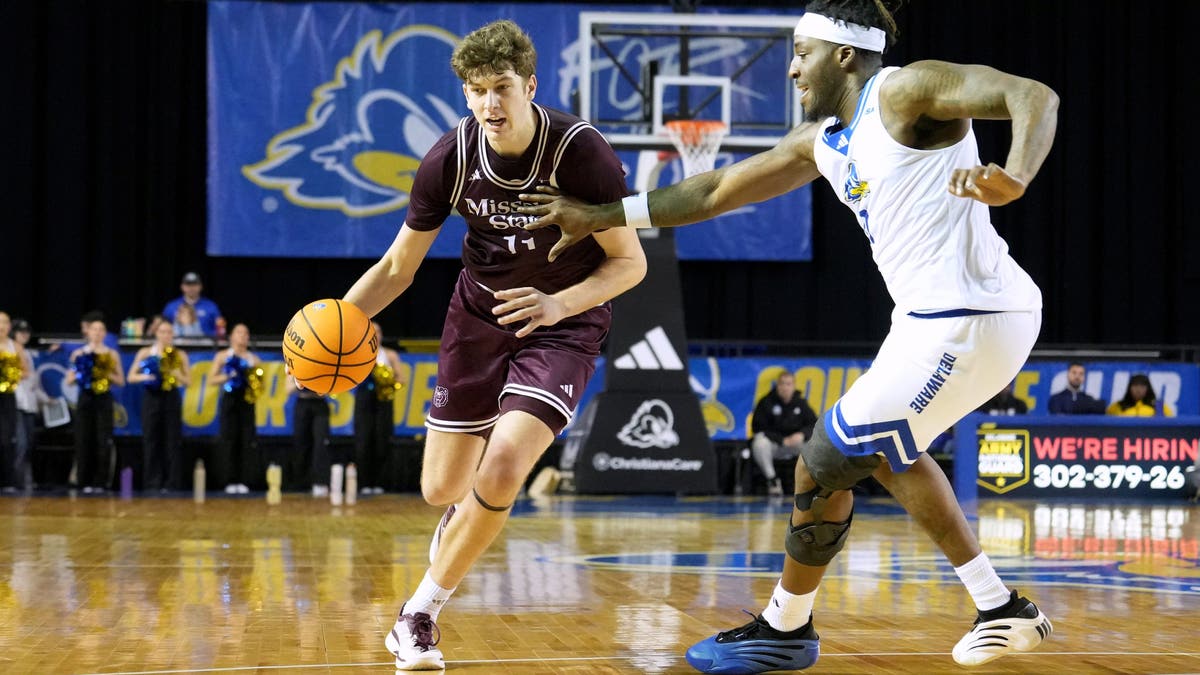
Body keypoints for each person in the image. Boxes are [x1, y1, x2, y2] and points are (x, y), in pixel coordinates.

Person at [517, 1, 1057, 671]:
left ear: (844, 55)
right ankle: (993, 605)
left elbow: (1029, 94)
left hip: (969, 318)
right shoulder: (822, 141)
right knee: (882, 452)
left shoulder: (904, 90)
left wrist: (1017, 176)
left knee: (823, 459)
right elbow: (716, 188)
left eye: (803, 52)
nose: (793, 67)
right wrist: (603, 213)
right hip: (935, 323)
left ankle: (787, 627)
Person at [337, 19, 646, 670]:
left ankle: (417, 614)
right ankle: (460, 517)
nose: (489, 105)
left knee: (505, 465)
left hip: (562, 320)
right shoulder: (449, 159)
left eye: (501, 87)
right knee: (440, 486)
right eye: (476, 91)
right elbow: (398, 268)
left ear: (530, 85)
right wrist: (337, 321)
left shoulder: (580, 155)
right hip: (478, 316)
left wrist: (560, 303)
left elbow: (629, 262)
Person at [65, 317, 126, 493]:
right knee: (84, 439)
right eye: (94, 329)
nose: (97, 333)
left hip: (104, 399)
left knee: (103, 439)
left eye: (101, 330)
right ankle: (83, 480)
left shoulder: (111, 354)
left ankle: (101, 482)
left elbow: (121, 380)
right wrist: (83, 371)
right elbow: (69, 379)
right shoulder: (79, 354)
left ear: (105, 334)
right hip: (85, 398)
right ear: (88, 332)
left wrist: (104, 372)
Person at [127, 321, 190, 492]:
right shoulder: (146, 352)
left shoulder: (179, 355)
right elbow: (131, 376)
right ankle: (152, 482)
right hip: (151, 397)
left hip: (171, 397)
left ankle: (172, 482)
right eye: (162, 332)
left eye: (169, 332)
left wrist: (176, 373)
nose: (166, 335)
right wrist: (146, 378)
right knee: (151, 439)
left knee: (172, 440)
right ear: (157, 334)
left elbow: (188, 381)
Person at [207, 322, 260, 493]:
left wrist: (251, 380)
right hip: (229, 399)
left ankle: (244, 480)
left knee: (247, 440)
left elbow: (260, 385)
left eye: (246, 333)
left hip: (247, 401)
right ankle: (229, 480)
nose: (243, 336)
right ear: (231, 336)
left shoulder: (254, 359)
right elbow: (211, 380)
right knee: (228, 439)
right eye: (239, 333)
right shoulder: (223, 356)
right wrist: (229, 375)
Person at [353, 322, 404, 495]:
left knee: (382, 440)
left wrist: (388, 382)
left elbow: (402, 379)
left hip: (383, 401)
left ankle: (380, 482)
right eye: (373, 332)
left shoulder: (389, 354)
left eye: (379, 332)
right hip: (364, 401)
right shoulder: (358, 355)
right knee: (363, 440)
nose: (377, 335)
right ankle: (364, 483)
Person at [750, 371, 818, 496]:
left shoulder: (801, 403)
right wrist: (781, 440)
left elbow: (814, 424)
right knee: (759, 443)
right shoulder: (766, 402)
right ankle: (772, 480)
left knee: (816, 445)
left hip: (796, 445)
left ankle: (811, 483)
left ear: (793, 386)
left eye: (788, 384)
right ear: (777, 386)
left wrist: (802, 434)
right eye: (782, 384)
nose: (785, 387)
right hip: (774, 445)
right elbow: (758, 428)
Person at [12, 319, 45, 492]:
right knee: (21, 443)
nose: (24, 335)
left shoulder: (29, 354)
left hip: (30, 406)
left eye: (27, 332)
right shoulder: (9, 350)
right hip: (16, 403)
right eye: (20, 332)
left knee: (29, 444)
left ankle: (25, 480)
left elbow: (33, 384)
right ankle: (16, 482)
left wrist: (46, 400)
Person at [284, 375, 331, 497]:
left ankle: (320, 482)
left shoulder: (324, 365)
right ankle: (300, 482)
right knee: (301, 443)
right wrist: (303, 381)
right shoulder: (297, 365)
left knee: (321, 443)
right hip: (302, 403)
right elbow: (287, 390)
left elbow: (333, 389)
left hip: (320, 404)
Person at [0, 311, 29, 492]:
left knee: (7, 438)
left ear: (9, 326)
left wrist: (11, 374)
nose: (1, 326)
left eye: (5, 322)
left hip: (8, 396)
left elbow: (26, 372)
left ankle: (7, 481)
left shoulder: (16, 347)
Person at [162, 272, 223, 338]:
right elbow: (163, 329)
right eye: (188, 284)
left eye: (194, 284)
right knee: (165, 348)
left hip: (205, 346)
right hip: (175, 345)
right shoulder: (171, 306)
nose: (191, 288)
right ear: (182, 286)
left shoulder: (211, 306)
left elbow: (220, 331)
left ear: (200, 286)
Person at [1106, 373, 1173, 417]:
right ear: (1129, 388)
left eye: (1142, 386)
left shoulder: (1159, 406)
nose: (1138, 390)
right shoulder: (1118, 406)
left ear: (1148, 388)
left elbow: (1170, 425)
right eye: (1135, 386)